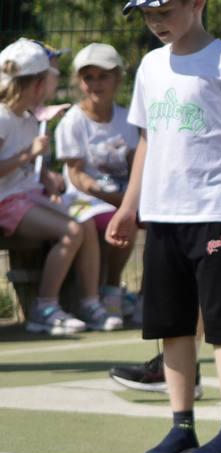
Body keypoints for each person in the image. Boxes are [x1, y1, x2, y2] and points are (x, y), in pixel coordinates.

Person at [106, 0, 221, 453]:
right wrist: (130, 207)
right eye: (148, 14)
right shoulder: (150, 68)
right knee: (172, 325)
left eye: (165, 11)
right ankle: (181, 425)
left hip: (215, 211)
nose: (156, 22)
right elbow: (148, 143)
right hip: (164, 216)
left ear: (197, 1)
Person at [0, 39, 104, 335]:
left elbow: (34, 166)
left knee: (85, 221)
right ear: (36, 84)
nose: (53, 85)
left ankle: (90, 302)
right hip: (6, 202)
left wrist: (49, 180)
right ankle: (44, 307)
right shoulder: (3, 117)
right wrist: (28, 154)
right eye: (51, 78)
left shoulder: (27, 117)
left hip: (25, 196)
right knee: (70, 232)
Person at [55, 43, 138, 327]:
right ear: (79, 81)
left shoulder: (127, 119)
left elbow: (136, 162)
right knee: (106, 219)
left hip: (119, 198)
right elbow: (76, 175)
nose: (95, 84)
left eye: (103, 76)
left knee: (148, 221)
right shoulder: (72, 122)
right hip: (83, 199)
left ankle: (132, 294)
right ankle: (95, 301)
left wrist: (128, 199)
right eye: (88, 77)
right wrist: (114, 198)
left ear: (117, 78)